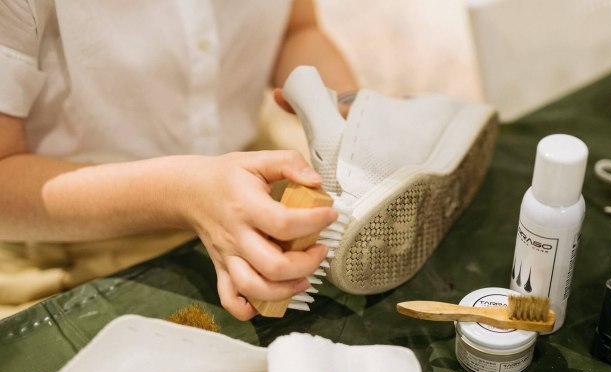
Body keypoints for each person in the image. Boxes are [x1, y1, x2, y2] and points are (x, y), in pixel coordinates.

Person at [0, 0, 359, 320]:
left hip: (255, 188)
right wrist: (182, 192)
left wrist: (351, 113)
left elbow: (297, 30)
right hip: (67, 241)